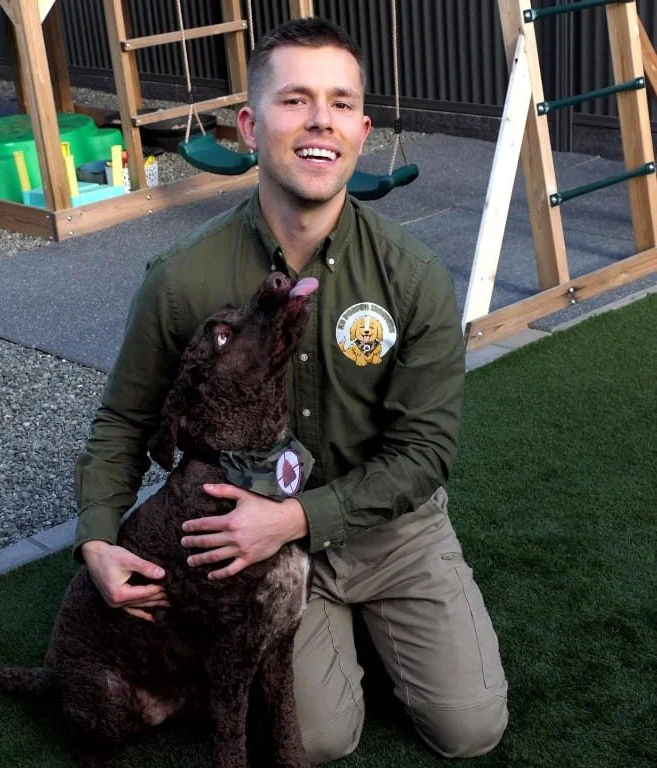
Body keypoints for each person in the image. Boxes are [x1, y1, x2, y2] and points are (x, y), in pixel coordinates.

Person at [74, 16, 508, 763]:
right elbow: (122, 421)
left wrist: (299, 519)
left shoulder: (412, 277)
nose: (320, 122)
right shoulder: (182, 278)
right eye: (294, 100)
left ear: (362, 130)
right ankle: (332, 632)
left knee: (470, 731)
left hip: (390, 530)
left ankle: (384, 626)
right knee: (321, 741)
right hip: (245, 548)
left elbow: (427, 450)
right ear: (248, 125)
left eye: (340, 103)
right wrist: (97, 541)